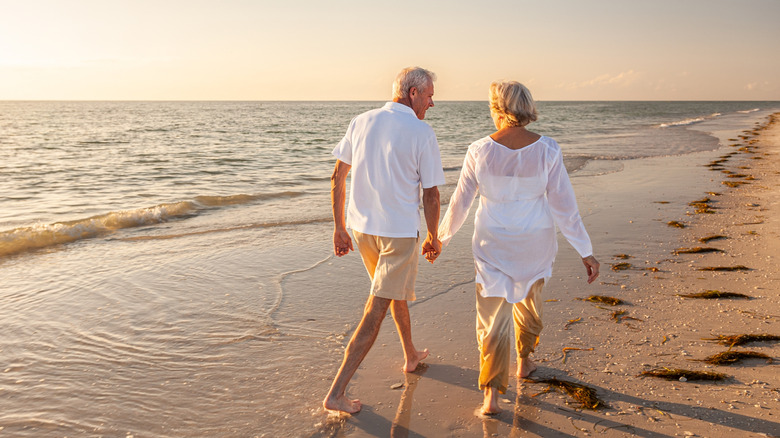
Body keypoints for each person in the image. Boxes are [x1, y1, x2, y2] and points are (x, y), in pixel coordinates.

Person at [437, 80, 600, 415]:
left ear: (498, 109)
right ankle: (524, 362)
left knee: (492, 319)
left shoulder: (479, 150)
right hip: (534, 244)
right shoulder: (549, 150)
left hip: (492, 244)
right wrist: (585, 250)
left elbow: (460, 205)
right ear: (526, 108)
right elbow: (565, 207)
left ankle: (492, 397)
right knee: (529, 306)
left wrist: (439, 239)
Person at [323, 67, 445, 414]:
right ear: (413, 93)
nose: (432, 102)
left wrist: (339, 228)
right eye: (430, 95)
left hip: (362, 230)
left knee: (393, 292)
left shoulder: (361, 121)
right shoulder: (421, 132)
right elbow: (432, 194)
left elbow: (337, 177)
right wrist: (434, 236)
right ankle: (336, 392)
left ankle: (410, 354)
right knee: (377, 306)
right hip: (398, 235)